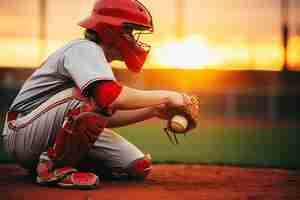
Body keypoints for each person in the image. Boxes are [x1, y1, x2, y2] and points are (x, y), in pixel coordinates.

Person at [2, 0, 190, 189]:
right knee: (89, 96)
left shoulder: (96, 58)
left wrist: (153, 111)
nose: (134, 39)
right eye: (130, 32)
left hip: (44, 133)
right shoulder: (84, 48)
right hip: (21, 131)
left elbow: (102, 113)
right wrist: (168, 96)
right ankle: (52, 169)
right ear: (112, 30)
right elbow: (108, 97)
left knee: (136, 166)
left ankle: (59, 161)